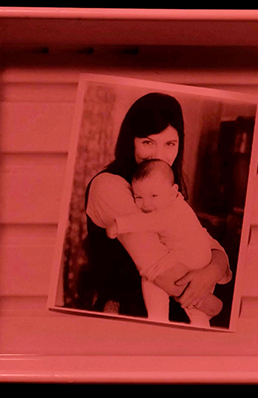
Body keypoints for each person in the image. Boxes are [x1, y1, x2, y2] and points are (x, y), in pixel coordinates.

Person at [81, 92, 232, 325]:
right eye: (147, 142)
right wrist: (215, 306)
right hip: (128, 315)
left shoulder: (167, 190)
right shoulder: (108, 185)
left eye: (170, 144)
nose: (159, 156)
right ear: (130, 140)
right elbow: (158, 267)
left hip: (179, 311)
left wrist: (211, 272)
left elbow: (208, 244)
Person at [106, 159, 223, 326]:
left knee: (151, 280)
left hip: (190, 260)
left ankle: (157, 318)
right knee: (195, 307)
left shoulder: (169, 213)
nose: (146, 204)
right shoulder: (177, 203)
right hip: (201, 260)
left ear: (173, 191)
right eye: (138, 197)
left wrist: (118, 225)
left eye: (153, 196)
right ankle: (202, 326)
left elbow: (145, 221)